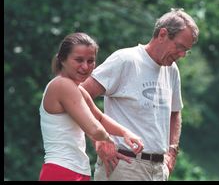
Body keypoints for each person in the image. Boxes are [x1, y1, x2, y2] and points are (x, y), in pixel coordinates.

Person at [81, 8, 199, 181]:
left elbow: (175, 113)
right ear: (162, 34)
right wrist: (98, 139)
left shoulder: (172, 70)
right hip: (124, 165)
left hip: (158, 170)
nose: (181, 55)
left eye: (186, 50)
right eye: (179, 47)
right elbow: (80, 96)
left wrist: (172, 152)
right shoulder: (126, 60)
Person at [38, 32, 144, 181]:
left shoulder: (77, 89)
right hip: (61, 170)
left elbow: (99, 118)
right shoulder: (62, 84)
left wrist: (125, 133)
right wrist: (108, 141)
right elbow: (94, 128)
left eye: (91, 61)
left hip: (78, 170)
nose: (85, 66)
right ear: (62, 59)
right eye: (79, 60)